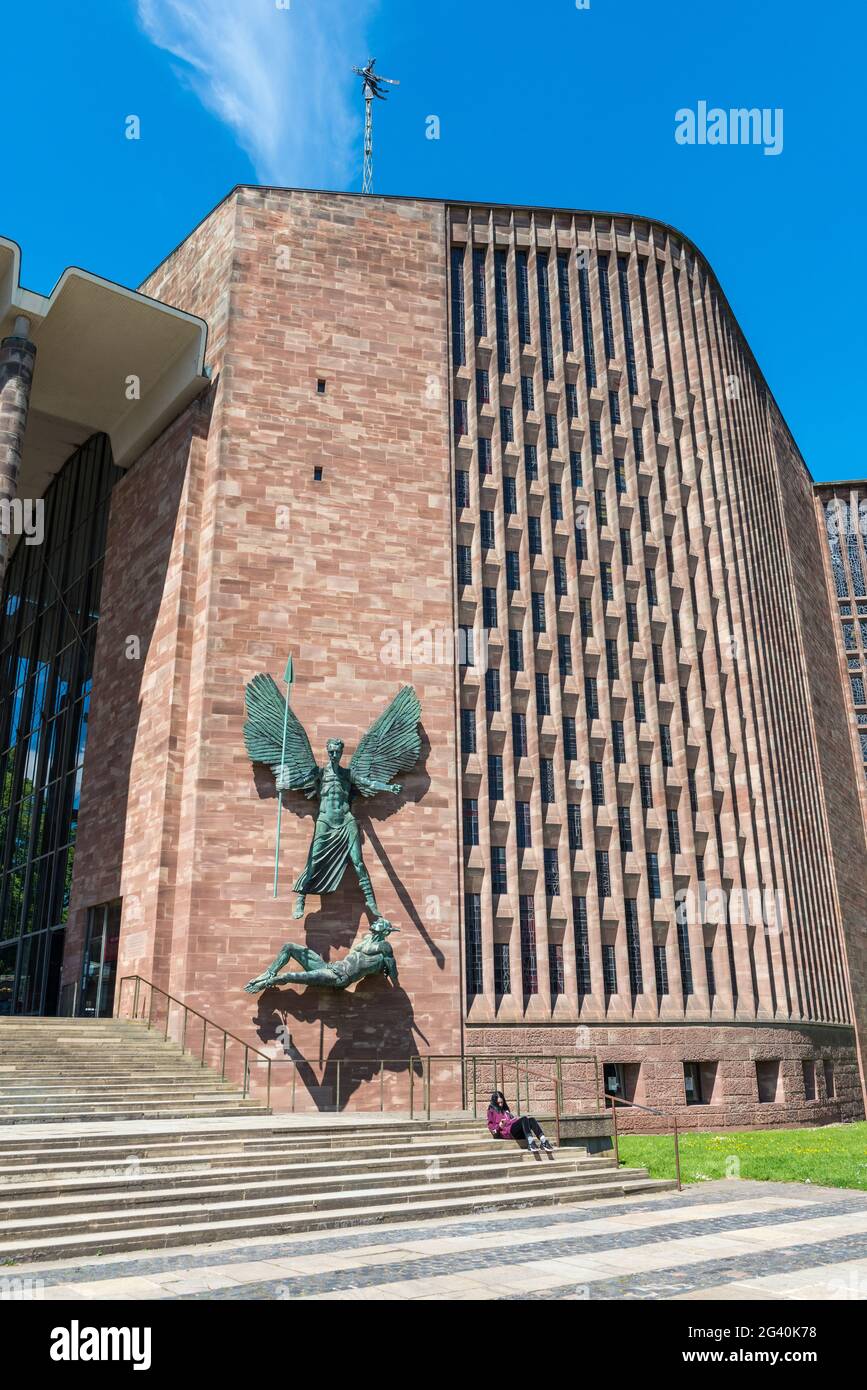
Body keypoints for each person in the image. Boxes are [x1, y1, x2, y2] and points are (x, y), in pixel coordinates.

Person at [487, 1091, 554, 1152]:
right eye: (498, 1103)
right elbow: (492, 1129)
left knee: (531, 1120)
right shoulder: (491, 1111)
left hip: (514, 1130)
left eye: (502, 1102)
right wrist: (499, 1126)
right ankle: (530, 1143)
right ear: (494, 1102)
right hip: (508, 1132)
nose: (501, 1104)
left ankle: (543, 1141)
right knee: (524, 1119)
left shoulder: (505, 1109)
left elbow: (510, 1120)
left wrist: (514, 1119)